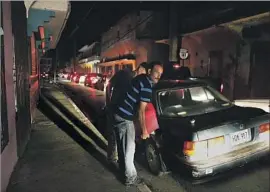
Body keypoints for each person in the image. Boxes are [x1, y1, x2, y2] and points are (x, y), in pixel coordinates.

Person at [113, 61, 163, 186]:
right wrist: (145, 131)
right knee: (130, 149)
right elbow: (141, 111)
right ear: (150, 71)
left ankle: (122, 171)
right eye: (156, 72)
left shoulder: (141, 78)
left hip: (117, 113)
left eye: (160, 74)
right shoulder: (147, 86)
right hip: (125, 117)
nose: (158, 76)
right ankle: (130, 178)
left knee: (122, 146)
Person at [106, 62, 149, 164]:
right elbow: (109, 85)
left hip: (124, 112)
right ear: (140, 69)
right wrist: (108, 102)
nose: (144, 76)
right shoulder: (124, 73)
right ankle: (112, 158)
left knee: (121, 137)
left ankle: (118, 160)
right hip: (114, 108)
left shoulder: (137, 81)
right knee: (113, 135)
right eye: (144, 73)